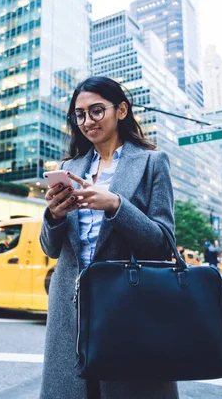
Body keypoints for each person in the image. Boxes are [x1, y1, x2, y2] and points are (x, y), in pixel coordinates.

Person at [39, 76, 177, 398]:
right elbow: (51, 249)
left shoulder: (152, 163)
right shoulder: (69, 167)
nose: (88, 121)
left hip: (127, 305)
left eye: (97, 111)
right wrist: (54, 215)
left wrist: (116, 205)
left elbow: (163, 244)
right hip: (70, 310)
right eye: (80, 114)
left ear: (122, 110)